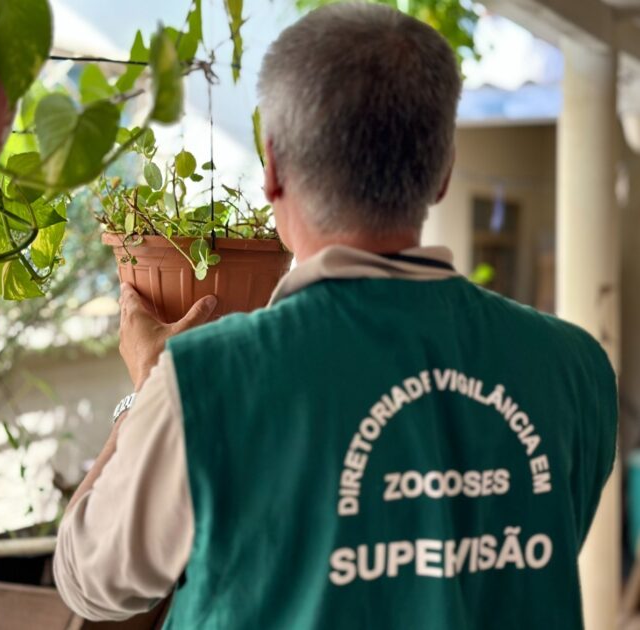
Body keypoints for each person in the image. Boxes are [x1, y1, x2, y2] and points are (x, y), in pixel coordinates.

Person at [54, 3, 618, 629]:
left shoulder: (207, 383)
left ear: (272, 171)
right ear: (443, 173)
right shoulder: (577, 370)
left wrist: (147, 391)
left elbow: (91, 582)